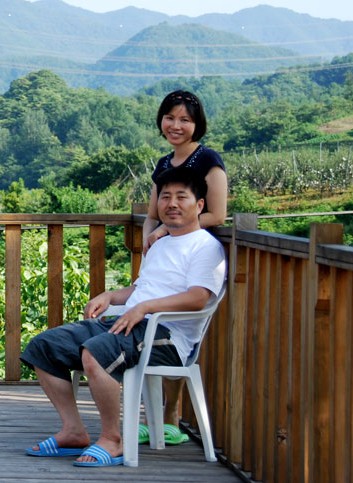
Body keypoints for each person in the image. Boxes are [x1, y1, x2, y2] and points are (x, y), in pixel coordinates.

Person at [20, 167, 226, 467]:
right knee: (45, 346)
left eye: (182, 197)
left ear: (200, 205)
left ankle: (112, 440)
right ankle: (74, 431)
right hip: (132, 321)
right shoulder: (161, 243)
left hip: (168, 337)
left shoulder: (207, 247)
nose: (171, 203)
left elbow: (199, 298)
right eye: (165, 197)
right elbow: (140, 288)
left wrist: (144, 308)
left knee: (97, 351)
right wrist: (110, 296)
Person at [142, 89, 227, 444]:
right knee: (145, 324)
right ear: (161, 120)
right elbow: (150, 215)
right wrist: (149, 241)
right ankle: (153, 416)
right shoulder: (163, 164)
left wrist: (169, 229)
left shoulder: (209, 159)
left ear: (197, 124)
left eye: (185, 119)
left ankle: (171, 415)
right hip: (164, 256)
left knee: (177, 329)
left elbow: (217, 214)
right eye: (170, 118)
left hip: (193, 254)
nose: (176, 125)